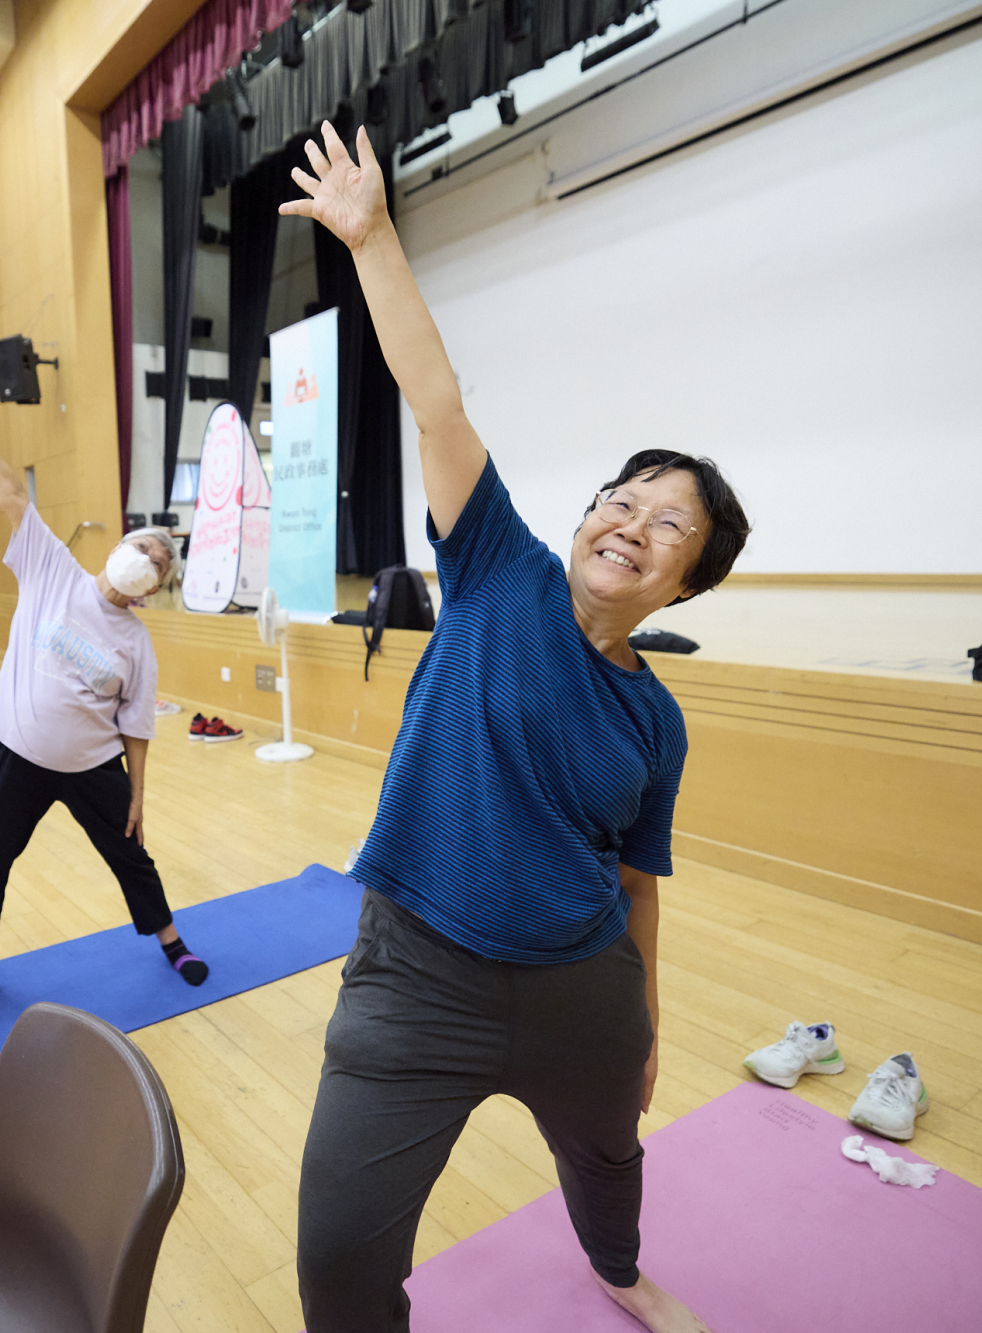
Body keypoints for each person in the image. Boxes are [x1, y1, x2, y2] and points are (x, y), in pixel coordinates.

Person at [281, 123, 750, 1333]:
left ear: (685, 585)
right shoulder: (497, 566)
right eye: (622, 498)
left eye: (669, 527)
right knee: (337, 1256)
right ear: (586, 512)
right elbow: (433, 396)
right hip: (413, 975)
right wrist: (372, 236)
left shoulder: (656, 719)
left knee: (607, 1161)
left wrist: (644, 1017)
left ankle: (616, 1271)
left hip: (577, 991)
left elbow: (639, 885)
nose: (633, 523)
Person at [0, 364, 208, 1025]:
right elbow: (8, 493)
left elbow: (136, 723)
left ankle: (170, 940)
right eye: (141, 545)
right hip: (21, 755)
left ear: (154, 588)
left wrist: (138, 791)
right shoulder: (54, 570)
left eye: (159, 562)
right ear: (117, 548)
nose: (146, 557)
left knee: (131, 855)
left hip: (92, 766)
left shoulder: (138, 641)